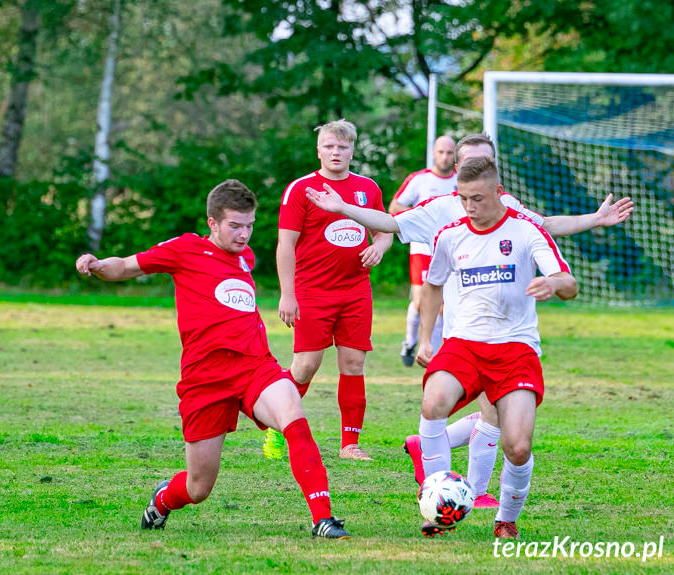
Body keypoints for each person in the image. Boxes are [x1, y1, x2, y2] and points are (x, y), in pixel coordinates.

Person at [304, 133, 633, 508]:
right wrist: (344, 208)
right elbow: (390, 224)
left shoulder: (510, 207)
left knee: (494, 413)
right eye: (472, 163)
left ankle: (470, 489)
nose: (479, 172)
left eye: (487, 162)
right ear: (458, 170)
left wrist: (594, 219)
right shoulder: (441, 211)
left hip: (510, 335)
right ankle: (462, 488)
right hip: (463, 335)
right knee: (466, 407)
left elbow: (546, 226)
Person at [75, 179, 350, 539]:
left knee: (294, 417)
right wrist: (96, 264)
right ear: (213, 223)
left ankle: (323, 519)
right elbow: (126, 266)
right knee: (198, 487)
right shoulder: (185, 249)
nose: (244, 234)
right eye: (235, 226)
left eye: (250, 225)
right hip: (205, 378)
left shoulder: (245, 257)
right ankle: (162, 500)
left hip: (255, 365)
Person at [415, 155, 577, 539]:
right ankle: (440, 504)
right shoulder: (450, 235)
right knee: (432, 401)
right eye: (463, 199)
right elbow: (433, 284)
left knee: (518, 447)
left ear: (498, 192)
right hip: (465, 344)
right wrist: (425, 337)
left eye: (478, 199)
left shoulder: (526, 233)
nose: (470, 207)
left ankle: (505, 518)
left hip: (515, 349)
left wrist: (553, 285)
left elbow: (568, 282)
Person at [265, 119, 393, 462]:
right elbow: (285, 245)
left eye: (343, 147)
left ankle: (350, 444)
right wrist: (287, 294)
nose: (336, 152)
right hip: (311, 292)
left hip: (355, 291)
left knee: (353, 363)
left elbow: (385, 229)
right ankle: (276, 428)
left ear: (353, 150)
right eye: (329, 146)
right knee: (306, 366)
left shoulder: (368, 187)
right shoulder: (301, 189)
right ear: (318, 150)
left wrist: (379, 247)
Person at [388, 136, 456, 367]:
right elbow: (395, 206)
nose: (445, 157)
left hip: (449, 249)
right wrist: (423, 217)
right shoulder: (420, 179)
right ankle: (409, 341)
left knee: (442, 305)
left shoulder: (462, 182)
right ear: (433, 153)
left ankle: (433, 354)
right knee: (420, 302)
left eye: (449, 152)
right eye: (441, 152)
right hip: (422, 249)